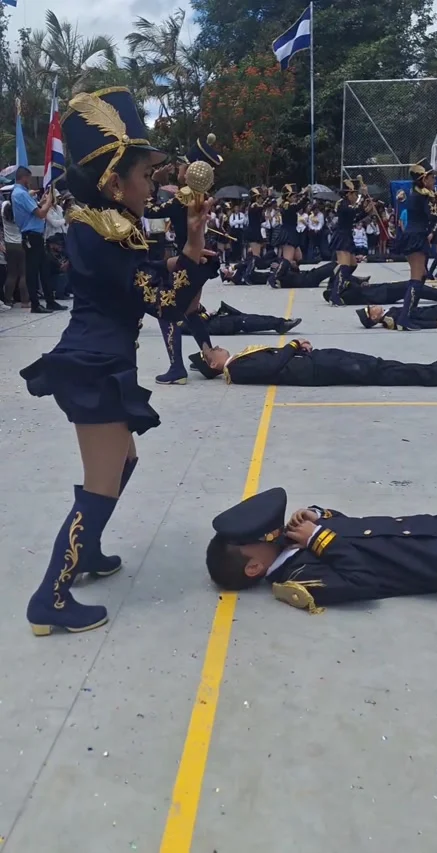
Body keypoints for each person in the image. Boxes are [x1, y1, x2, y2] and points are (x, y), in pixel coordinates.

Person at [19, 86, 210, 636]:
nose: (152, 185)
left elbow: (163, 291)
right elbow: (167, 302)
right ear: (113, 180)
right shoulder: (102, 232)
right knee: (102, 482)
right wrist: (194, 245)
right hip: (95, 365)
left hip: (100, 359)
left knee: (125, 463)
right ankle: (50, 597)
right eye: (146, 176)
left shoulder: (107, 227)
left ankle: (88, 552)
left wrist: (191, 240)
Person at [206, 487, 437, 612]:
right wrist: (317, 538)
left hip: (426, 527)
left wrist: (317, 517)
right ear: (253, 567)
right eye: (261, 536)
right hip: (434, 559)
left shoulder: (291, 542)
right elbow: (363, 582)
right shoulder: (298, 577)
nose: (273, 532)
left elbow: (349, 526)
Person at [148, 135, 223, 386]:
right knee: (191, 311)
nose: (178, 168)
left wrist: (154, 183)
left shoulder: (182, 198)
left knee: (166, 311)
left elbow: (149, 210)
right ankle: (210, 357)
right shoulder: (200, 196)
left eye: (182, 165)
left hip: (187, 262)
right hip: (201, 261)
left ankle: (176, 368)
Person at [189, 338, 437, 387]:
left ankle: (431, 368)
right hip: (314, 369)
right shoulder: (235, 369)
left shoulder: (236, 362)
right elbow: (271, 367)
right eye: (213, 352)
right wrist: (292, 345)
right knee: (372, 371)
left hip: (313, 360)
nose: (217, 348)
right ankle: (434, 375)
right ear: (214, 365)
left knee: (374, 364)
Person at [11, 167, 67, 314]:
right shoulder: (21, 194)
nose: (29, 182)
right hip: (31, 236)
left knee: (44, 269)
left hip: (36, 235)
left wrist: (42, 201)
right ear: (24, 178)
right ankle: (35, 304)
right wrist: (48, 201)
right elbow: (41, 214)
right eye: (28, 179)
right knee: (32, 270)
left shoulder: (22, 194)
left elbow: (35, 211)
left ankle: (50, 301)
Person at [396, 160, 437, 329]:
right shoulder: (422, 195)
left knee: (421, 276)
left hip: (416, 235)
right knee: (416, 277)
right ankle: (404, 319)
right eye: (432, 177)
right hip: (416, 236)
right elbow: (432, 216)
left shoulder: (418, 194)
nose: (434, 181)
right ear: (424, 179)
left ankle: (410, 314)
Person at [329, 179, 371, 304]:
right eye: (354, 194)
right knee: (345, 266)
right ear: (348, 194)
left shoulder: (348, 204)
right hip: (341, 236)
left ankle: (336, 282)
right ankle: (335, 294)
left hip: (347, 236)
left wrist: (367, 211)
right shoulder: (342, 204)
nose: (355, 196)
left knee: (353, 264)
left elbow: (356, 217)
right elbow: (353, 210)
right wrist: (363, 196)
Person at [179, 300, 302, 336]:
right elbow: (193, 324)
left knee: (252, 318)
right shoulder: (176, 322)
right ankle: (279, 324)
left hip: (219, 321)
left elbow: (200, 310)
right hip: (220, 326)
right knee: (250, 321)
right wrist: (208, 314)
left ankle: (281, 322)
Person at [323, 274, 437, 306]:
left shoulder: (347, 290)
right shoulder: (346, 295)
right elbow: (357, 289)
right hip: (383, 294)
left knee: (412, 287)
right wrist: (349, 284)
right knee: (412, 286)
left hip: (383, 290)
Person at [357, 303, 437, 331]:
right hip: (431, 315)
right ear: (373, 317)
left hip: (430, 311)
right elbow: (416, 323)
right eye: (371, 308)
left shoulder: (388, 315)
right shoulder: (390, 320)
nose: (374, 305)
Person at [1, 194, 29, 307]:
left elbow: (5, 204)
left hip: (9, 244)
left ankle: (7, 299)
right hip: (20, 243)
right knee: (23, 274)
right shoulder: (20, 213)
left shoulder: (4, 209)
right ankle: (25, 301)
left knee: (11, 274)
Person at [274, 185, 310, 263]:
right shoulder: (286, 204)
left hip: (293, 232)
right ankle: (280, 273)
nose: (295, 198)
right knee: (287, 260)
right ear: (288, 197)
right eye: (294, 197)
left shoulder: (289, 204)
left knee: (299, 259)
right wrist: (304, 195)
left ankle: (294, 274)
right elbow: (297, 206)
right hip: (288, 233)